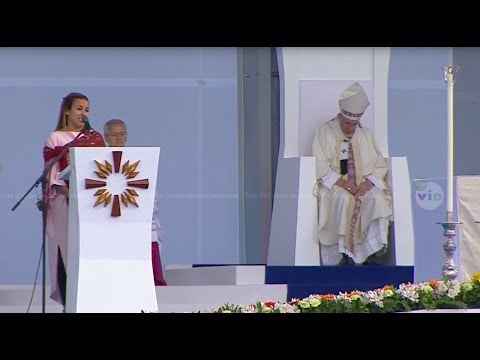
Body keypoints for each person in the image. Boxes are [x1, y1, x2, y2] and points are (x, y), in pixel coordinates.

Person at [312, 82, 393, 266]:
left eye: (354, 124)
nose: (350, 128)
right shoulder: (325, 132)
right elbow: (319, 163)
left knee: (376, 198)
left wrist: (369, 183)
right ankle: (344, 255)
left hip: (361, 184)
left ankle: (374, 252)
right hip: (336, 185)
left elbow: (379, 164)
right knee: (343, 199)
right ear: (340, 116)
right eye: (347, 123)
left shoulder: (365, 134)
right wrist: (342, 183)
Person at [43, 92, 106, 307]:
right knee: (66, 248)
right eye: (79, 108)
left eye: (87, 109)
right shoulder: (56, 137)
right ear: (67, 111)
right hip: (65, 200)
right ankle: (71, 303)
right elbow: (52, 174)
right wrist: (68, 193)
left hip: (91, 202)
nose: (84, 113)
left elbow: (103, 168)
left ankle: (92, 300)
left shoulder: (94, 137)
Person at [103, 118, 167, 286]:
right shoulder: (97, 163)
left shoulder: (138, 161)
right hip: (110, 224)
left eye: (122, 134)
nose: (119, 138)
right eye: (114, 134)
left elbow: (150, 190)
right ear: (106, 137)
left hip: (139, 221)